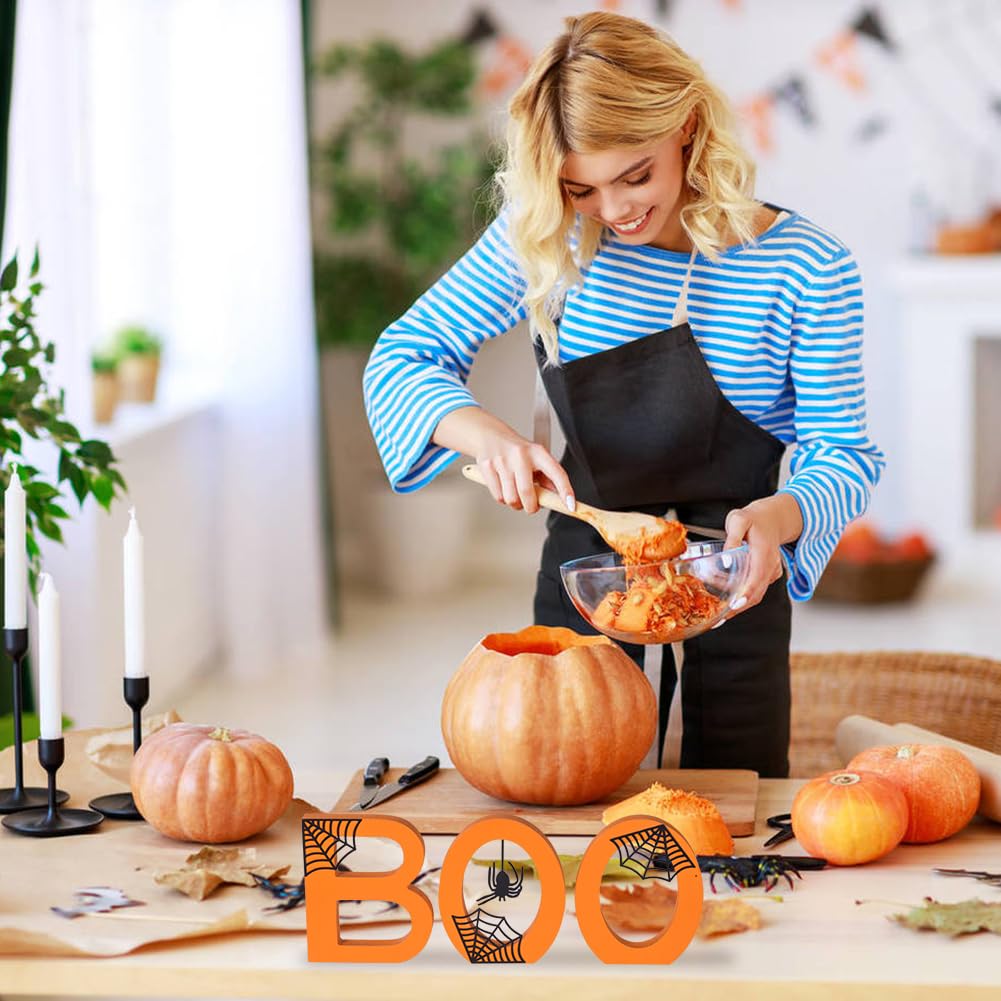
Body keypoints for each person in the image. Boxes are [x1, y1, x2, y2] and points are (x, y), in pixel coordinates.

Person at [363, 11, 884, 778]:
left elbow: (842, 452)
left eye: (634, 175)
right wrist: (488, 438)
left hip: (735, 587)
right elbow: (402, 357)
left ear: (687, 127)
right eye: (581, 187)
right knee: (569, 796)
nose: (613, 211)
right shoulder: (552, 234)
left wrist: (778, 519)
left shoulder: (806, 267)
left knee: (730, 814)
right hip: (585, 584)